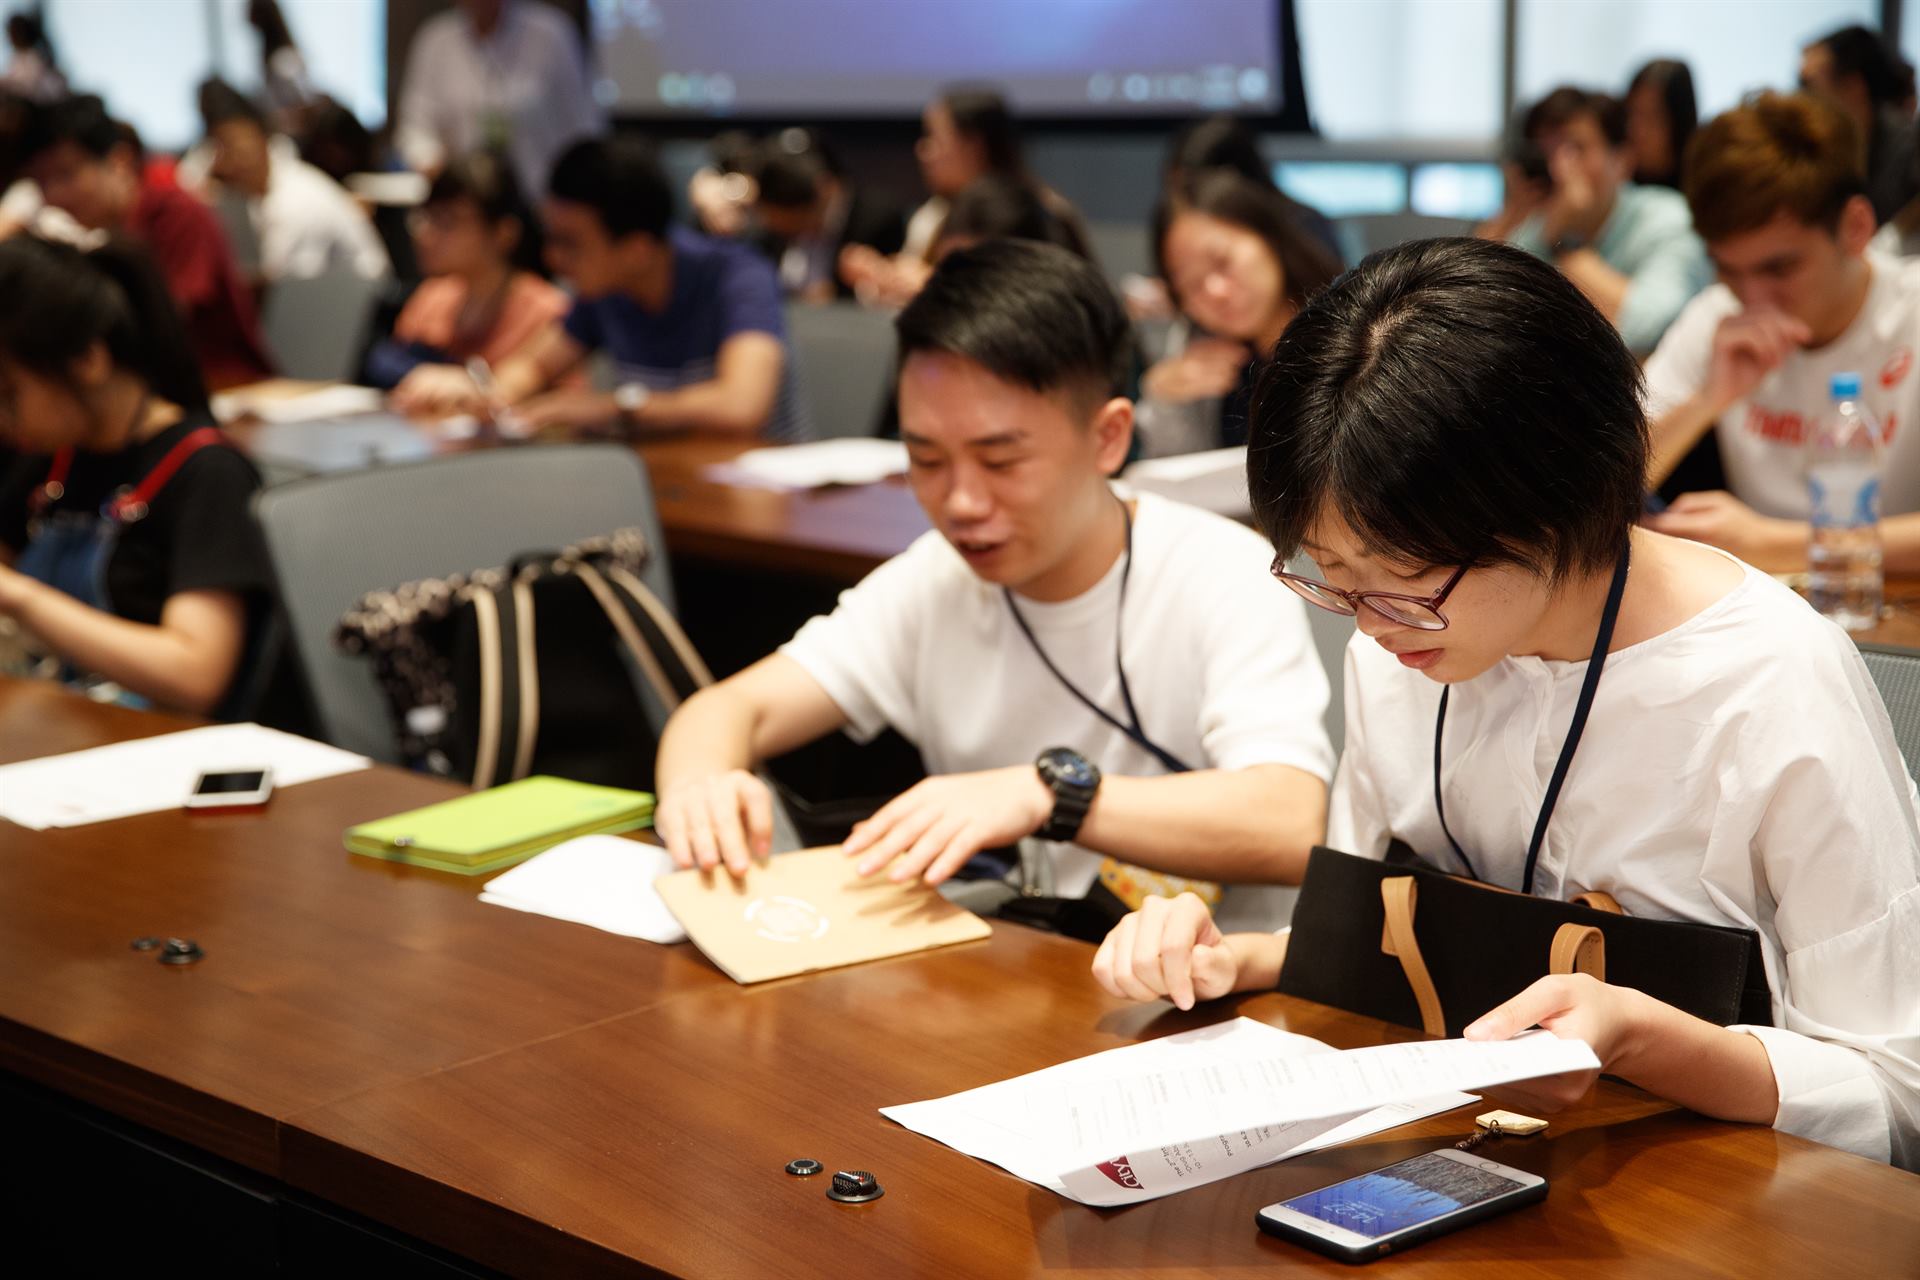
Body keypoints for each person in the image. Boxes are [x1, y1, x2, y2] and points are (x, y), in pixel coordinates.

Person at [1092, 235, 1920, 1172]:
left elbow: (1893, 1094)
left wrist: (1642, 1038)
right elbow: (1383, 932)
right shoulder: (1401, 651)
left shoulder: (1770, 680)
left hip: (1713, 1189)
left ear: (1553, 502)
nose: (1370, 627)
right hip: (1469, 1155)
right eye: (1332, 577)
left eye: (1404, 582)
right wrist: (1236, 958)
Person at [652, 240, 1333, 930]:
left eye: (1001, 460)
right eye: (926, 460)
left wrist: (1050, 796)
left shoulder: (1217, 573)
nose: (962, 502)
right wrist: (701, 785)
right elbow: (726, 711)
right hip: (1018, 956)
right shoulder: (934, 579)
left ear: (1108, 438)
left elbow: (1290, 822)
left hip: (1207, 979)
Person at [0, 236, 282, 717]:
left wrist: (22, 598)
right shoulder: (51, 459)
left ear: (88, 360)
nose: (3, 419)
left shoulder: (206, 472)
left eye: (9, 394)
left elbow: (197, 674)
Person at [1643, 92, 1920, 572]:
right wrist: (1706, 400)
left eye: (1780, 268)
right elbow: (1594, 491)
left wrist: (1778, 543)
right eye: (1728, 269)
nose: (1753, 298)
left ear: (1855, 227)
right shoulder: (1717, 315)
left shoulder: (1911, 309)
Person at [393, 136, 804, 441]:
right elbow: (530, 370)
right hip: (675, 483)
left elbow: (741, 406)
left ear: (636, 249)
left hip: (770, 502)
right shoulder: (604, 289)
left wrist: (610, 408)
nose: (553, 257)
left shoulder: (738, 276)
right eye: (551, 238)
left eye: (570, 243)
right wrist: (477, 390)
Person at [23, 96, 272, 390]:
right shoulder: (99, 232)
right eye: (41, 181)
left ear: (119, 161)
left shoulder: (174, 213)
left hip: (226, 389)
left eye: (66, 174)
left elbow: (164, 326)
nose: (54, 195)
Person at [1480, 86, 1710, 355]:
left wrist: (1566, 243)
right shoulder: (1539, 226)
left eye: (1576, 149)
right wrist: (1509, 215)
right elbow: (1475, 310)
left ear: (1622, 161)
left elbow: (1648, 328)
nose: (1558, 168)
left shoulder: (1670, 220)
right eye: (1546, 152)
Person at [1142, 170, 1342, 452]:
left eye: (1222, 262)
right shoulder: (1199, 350)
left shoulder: (1354, 326)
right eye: (1190, 284)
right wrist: (1162, 396)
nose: (1215, 292)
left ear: (1268, 236)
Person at [842, 86, 1088, 306]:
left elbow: (1040, 303)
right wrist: (884, 276)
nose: (923, 150)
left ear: (973, 146)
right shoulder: (933, 214)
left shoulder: (1036, 213)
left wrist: (933, 288)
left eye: (933, 137)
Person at [366, 150, 569, 389]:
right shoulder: (432, 297)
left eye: (447, 221)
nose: (425, 234)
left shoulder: (547, 313)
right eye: (425, 217)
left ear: (504, 233)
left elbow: (563, 404)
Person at [396, 0, 604, 200]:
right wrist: (438, 168)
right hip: (466, 205)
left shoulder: (551, 34)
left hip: (540, 200)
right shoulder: (436, 41)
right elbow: (414, 128)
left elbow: (583, 126)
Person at [194, 79, 389, 283]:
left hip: (368, 297)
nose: (226, 160)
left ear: (263, 143)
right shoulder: (270, 187)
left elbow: (280, 286)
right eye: (220, 149)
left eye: (236, 148)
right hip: (330, 293)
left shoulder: (294, 200)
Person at [749, 128, 904, 303]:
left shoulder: (879, 221)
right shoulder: (765, 229)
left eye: (802, 221)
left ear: (826, 189)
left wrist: (875, 275)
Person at [1801, 25, 1919, 224]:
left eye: (1809, 85)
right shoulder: (1823, 152)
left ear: (1852, 86)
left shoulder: (1911, 152)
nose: (1800, 99)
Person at [1624, 59, 1697, 191]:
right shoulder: (1615, 187)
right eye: (1631, 114)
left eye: (1652, 118)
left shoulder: (1699, 191)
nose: (1636, 131)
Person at [1, 10, 63, 104]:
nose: (11, 38)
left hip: (41, 101)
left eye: (14, 33)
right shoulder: (17, 58)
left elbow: (30, 84)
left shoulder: (35, 56)